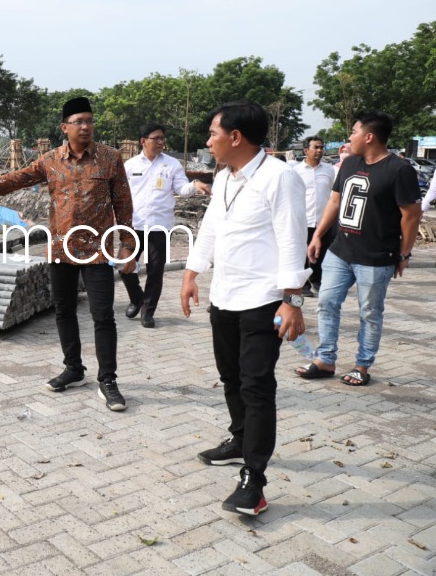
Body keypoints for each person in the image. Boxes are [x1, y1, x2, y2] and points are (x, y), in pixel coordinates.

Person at [0, 96, 136, 411]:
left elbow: (124, 206)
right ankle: (74, 369)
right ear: (65, 127)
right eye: (79, 121)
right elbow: (11, 181)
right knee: (64, 312)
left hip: (98, 252)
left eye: (90, 120)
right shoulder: (50, 160)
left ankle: (108, 380)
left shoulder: (110, 158)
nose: (86, 126)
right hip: (61, 249)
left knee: (103, 316)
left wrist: (127, 247)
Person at [180, 101, 310, 516]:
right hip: (225, 296)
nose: (208, 141)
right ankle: (240, 440)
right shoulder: (224, 177)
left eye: (213, 133)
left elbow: (292, 240)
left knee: (256, 386)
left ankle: (255, 479)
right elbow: (213, 227)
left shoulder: (280, 177)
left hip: (264, 299)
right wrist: (191, 272)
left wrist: (292, 301)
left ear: (235, 137)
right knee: (230, 376)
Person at [298, 112, 422, 386]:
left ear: (369, 137)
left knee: (370, 312)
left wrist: (403, 253)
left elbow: (411, 216)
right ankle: (325, 359)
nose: (349, 137)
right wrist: (318, 235)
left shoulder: (399, 170)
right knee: (326, 302)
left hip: (376, 258)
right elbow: (334, 202)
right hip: (340, 251)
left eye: (353, 132)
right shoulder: (350, 163)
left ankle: (362, 366)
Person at [121, 123, 210, 328]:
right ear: (143, 141)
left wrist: (195, 185)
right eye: (156, 138)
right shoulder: (130, 165)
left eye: (163, 138)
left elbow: (182, 189)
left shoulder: (172, 165)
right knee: (124, 266)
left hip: (160, 226)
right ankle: (137, 298)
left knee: (155, 270)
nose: (161, 142)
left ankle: (148, 311)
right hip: (134, 225)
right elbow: (122, 194)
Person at [288, 136, 335, 296]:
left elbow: (334, 196)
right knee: (302, 253)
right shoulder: (295, 171)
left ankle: (317, 281)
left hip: (323, 221)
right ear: (306, 150)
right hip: (303, 220)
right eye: (316, 147)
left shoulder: (330, 170)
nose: (319, 150)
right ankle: (303, 285)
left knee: (320, 254)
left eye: (321, 147)